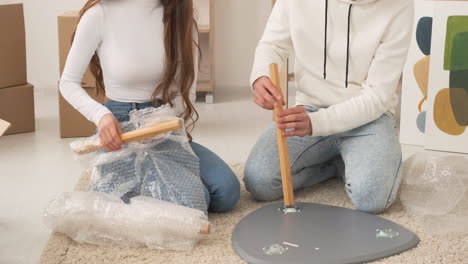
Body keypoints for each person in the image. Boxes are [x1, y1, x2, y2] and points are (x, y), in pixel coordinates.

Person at [59, 0, 240, 213]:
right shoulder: (99, 14)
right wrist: (101, 116)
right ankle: (127, 188)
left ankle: (137, 190)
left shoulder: (180, 16)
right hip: (119, 126)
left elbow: (187, 90)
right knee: (195, 202)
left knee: (226, 192)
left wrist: (166, 117)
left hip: (161, 124)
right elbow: (68, 83)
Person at [245, 0, 414, 214]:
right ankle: (335, 165)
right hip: (309, 108)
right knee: (259, 182)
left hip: (369, 118)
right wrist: (261, 77)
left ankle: (354, 161)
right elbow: (273, 45)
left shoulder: (400, 5)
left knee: (372, 196)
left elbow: (377, 96)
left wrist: (317, 123)